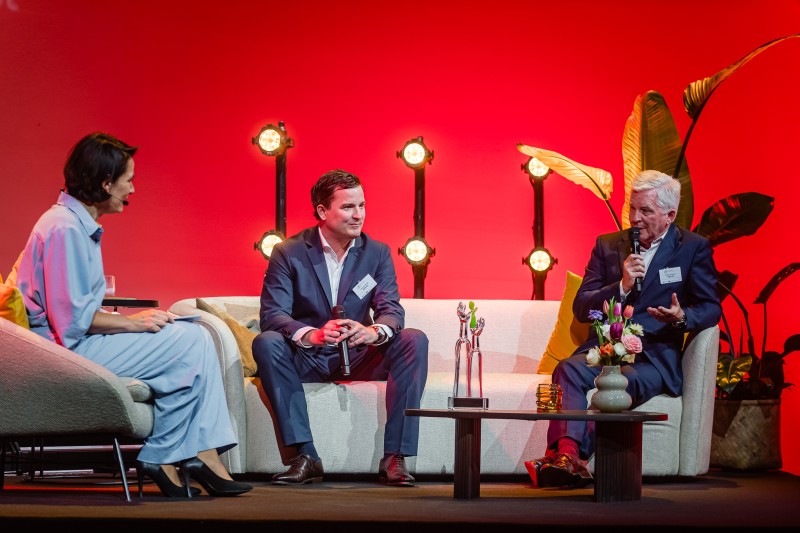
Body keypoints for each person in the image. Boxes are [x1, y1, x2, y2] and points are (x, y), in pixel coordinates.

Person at [16, 132, 252, 498]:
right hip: (63, 353)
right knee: (188, 344)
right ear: (105, 183)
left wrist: (136, 322)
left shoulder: (74, 223)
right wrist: (133, 322)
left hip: (74, 342)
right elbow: (72, 322)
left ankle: (198, 453)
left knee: (195, 336)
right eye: (129, 180)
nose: (133, 189)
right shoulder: (64, 227)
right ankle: (169, 455)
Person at [531, 169, 722, 488]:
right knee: (567, 369)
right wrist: (620, 286)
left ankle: (567, 459)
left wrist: (681, 317)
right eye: (632, 208)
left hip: (653, 359)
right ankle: (568, 455)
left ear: (669, 215)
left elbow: (711, 306)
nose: (634, 218)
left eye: (645, 210)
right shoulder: (608, 245)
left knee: (618, 386)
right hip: (605, 350)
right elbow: (582, 307)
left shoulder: (692, 248)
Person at [252, 169, 429, 487]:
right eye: (348, 207)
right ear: (322, 211)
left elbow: (391, 310)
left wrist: (373, 332)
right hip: (309, 357)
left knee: (413, 339)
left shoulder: (377, 252)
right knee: (266, 342)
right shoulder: (289, 252)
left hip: (360, 355)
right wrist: (313, 335)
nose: (358, 215)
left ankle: (395, 457)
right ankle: (305, 456)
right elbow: (273, 314)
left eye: (362, 205)